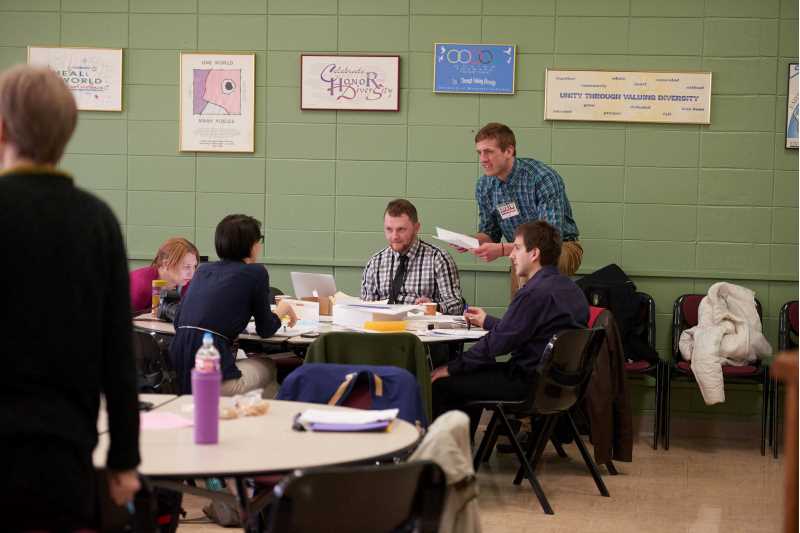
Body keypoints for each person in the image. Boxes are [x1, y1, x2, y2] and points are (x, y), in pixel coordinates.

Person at [0, 65, 140, 529]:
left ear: (1, 128)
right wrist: (123, 458)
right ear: (69, 133)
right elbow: (118, 353)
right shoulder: (97, 221)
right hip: (63, 456)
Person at [431, 221, 589, 436]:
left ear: (534, 254)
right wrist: (487, 321)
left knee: (444, 382)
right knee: (473, 368)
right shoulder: (571, 289)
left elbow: (497, 345)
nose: (512, 255)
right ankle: (460, 453)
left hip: (528, 384)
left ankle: (446, 460)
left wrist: (450, 367)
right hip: (558, 386)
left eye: (516, 247)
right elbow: (526, 331)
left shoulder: (533, 293)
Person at [170, 214, 297, 398]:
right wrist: (281, 310)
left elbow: (178, 322)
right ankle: (265, 421)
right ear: (252, 245)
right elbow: (266, 329)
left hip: (179, 377)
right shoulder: (256, 272)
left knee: (243, 360)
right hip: (213, 379)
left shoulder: (203, 270)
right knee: (268, 365)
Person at [466, 122, 582, 293]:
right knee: (523, 272)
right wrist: (471, 241)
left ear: (509, 151)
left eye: (489, 152)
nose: (482, 159)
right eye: (479, 152)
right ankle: (522, 314)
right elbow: (491, 233)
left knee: (533, 261)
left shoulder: (542, 178)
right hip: (519, 251)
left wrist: (504, 249)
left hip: (561, 247)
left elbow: (549, 241)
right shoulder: (484, 185)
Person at [361, 199, 464, 315]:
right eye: (389, 229)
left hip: (422, 329)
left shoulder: (438, 259)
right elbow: (366, 309)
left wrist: (435, 307)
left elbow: (457, 305)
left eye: (401, 229)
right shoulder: (375, 263)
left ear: (416, 228)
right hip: (384, 329)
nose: (394, 236)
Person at [129, 237, 199, 313]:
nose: (192, 273)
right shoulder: (141, 284)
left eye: (194, 266)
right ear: (166, 264)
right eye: (186, 267)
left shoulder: (185, 284)